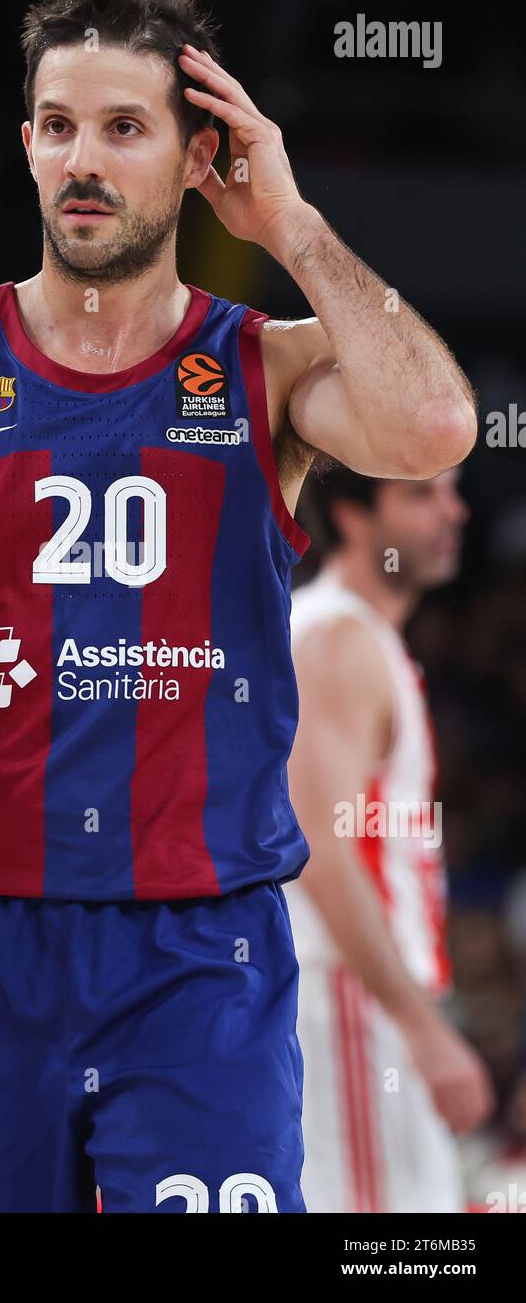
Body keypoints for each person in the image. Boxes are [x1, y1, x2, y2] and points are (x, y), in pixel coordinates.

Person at [0, 0, 477, 1213]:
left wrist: (291, 223)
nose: (81, 160)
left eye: (123, 127)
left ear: (195, 154)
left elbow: (432, 424)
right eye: (56, 126)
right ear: (25, 148)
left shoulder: (261, 368)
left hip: (197, 951)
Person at [287, 465, 495, 1212]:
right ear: (351, 513)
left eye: (452, 489)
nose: (454, 511)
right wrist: (422, 1027)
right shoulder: (336, 639)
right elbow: (318, 849)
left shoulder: (353, 634)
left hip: (360, 995)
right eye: (424, 493)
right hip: (345, 995)